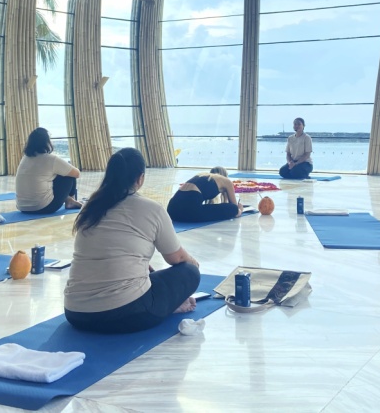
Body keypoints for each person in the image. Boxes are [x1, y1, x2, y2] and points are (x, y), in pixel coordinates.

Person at [64, 147, 200, 334]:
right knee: (189, 272)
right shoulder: (152, 209)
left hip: (76, 313)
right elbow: (177, 259)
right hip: (127, 314)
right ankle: (169, 307)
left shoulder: (89, 208)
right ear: (140, 178)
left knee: (147, 273)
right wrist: (194, 266)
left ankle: (165, 303)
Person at [15, 127, 81, 214]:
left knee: (53, 175)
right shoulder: (50, 159)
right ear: (46, 142)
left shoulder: (25, 158)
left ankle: (69, 200)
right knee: (69, 176)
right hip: (43, 207)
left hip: (22, 207)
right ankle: (71, 202)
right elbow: (77, 174)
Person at [167, 167, 242, 223]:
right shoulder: (226, 181)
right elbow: (234, 210)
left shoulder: (202, 176)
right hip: (189, 212)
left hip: (172, 211)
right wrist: (240, 209)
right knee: (233, 209)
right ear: (225, 175)